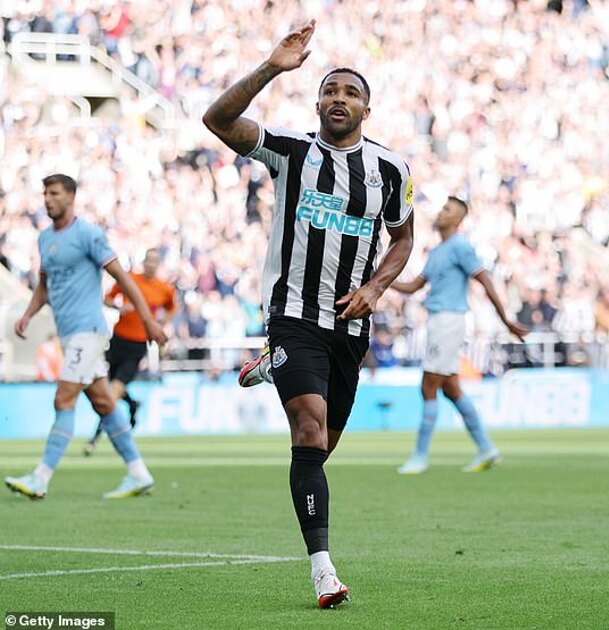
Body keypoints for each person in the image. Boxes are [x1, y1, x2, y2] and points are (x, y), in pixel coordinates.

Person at [203, 19, 414, 608]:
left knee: (320, 449)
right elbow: (217, 120)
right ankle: (323, 571)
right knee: (309, 431)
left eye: (351, 92)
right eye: (329, 90)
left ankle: (272, 365)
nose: (339, 98)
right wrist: (272, 67)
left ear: (367, 109)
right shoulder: (291, 152)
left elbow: (402, 240)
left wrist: (376, 287)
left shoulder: (390, 170)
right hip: (293, 315)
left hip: (350, 325)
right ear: (317, 103)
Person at [5, 174, 167, 500]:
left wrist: (148, 320)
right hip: (68, 335)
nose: (48, 199)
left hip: (88, 332)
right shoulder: (45, 239)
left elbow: (123, 277)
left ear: (71, 196)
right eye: (45, 193)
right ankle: (138, 473)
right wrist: (27, 315)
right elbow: (44, 286)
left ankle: (40, 478)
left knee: (63, 399)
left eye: (54, 193)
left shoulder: (88, 235)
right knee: (104, 402)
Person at [391, 196, 528, 474]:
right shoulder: (438, 251)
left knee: (428, 386)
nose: (441, 212)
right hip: (439, 322)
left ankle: (419, 457)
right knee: (451, 389)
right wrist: (381, 281)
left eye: (448, 209)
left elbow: (485, 280)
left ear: (458, 219)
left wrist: (506, 320)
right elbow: (414, 286)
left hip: (448, 321)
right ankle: (486, 448)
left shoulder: (460, 247)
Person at [83, 248, 176, 455]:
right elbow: (108, 299)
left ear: (158, 264)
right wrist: (118, 307)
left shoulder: (164, 289)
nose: (150, 265)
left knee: (111, 394)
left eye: (154, 261)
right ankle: (132, 404)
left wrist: (160, 323)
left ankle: (94, 438)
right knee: (105, 386)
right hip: (118, 340)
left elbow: (172, 308)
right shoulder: (130, 280)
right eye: (148, 260)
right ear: (144, 262)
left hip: (138, 345)